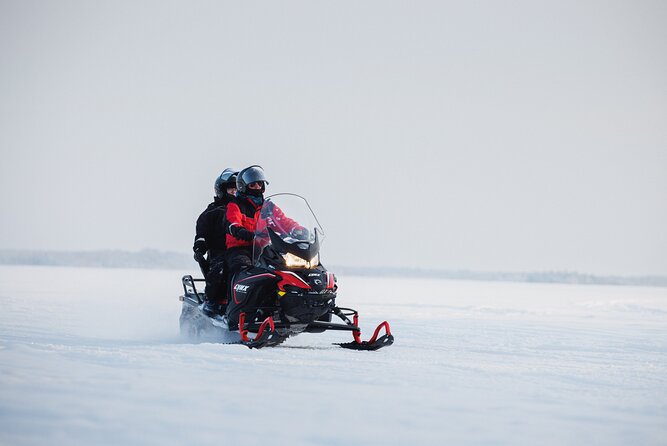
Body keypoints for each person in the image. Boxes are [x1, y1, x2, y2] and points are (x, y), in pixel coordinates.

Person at [225, 165, 304, 278]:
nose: (257, 187)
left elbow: (284, 221)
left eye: (260, 183)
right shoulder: (236, 205)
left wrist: (298, 230)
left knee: (283, 267)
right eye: (253, 184)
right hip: (241, 249)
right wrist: (239, 230)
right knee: (242, 269)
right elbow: (232, 221)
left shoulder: (268, 206)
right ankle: (232, 295)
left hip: (264, 248)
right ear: (243, 186)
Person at [193, 167, 238, 316]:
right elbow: (202, 233)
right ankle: (211, 301)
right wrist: (200, 246)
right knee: (221, 268)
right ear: (222, 191)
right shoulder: (212, 213)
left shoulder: (248, 210)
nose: (235, 194)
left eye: (238, 190)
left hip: (249, 251)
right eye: (232, 190)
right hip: (221, 253)